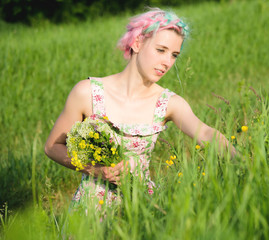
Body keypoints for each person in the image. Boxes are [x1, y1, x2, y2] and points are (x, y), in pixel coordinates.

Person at [44, 8, 236, 209]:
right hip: (91, 209)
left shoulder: (169, 103)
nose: (167, 62)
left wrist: (247, 164)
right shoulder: (86, 93)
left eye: (174, 55)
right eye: (161, 50)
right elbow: (52, 147)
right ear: (137, 43)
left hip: (142, 207)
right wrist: (95, 170)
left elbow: (205, 132)